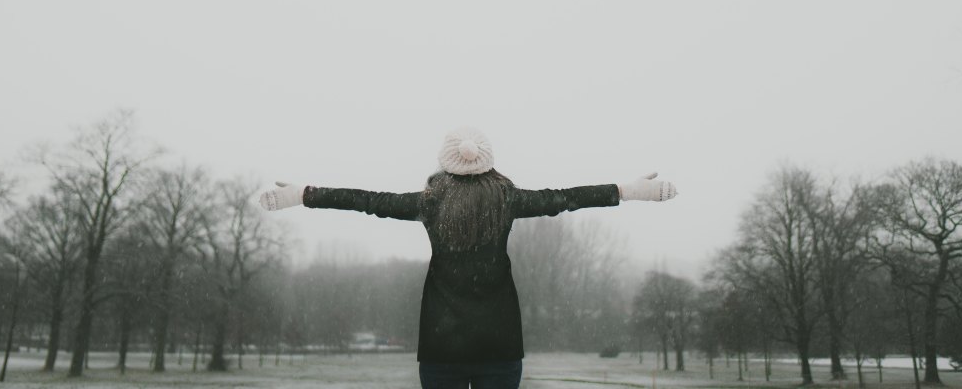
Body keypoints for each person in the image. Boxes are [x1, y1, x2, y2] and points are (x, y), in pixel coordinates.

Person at [258, 126, 677, 389]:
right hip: (500, 344)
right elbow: (564, 199)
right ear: (488, 162)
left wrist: (303, 195)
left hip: (442, 347)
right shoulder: (507, 198)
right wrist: (628, 190)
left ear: (446, 163)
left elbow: (365, 200)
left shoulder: (430, 202)